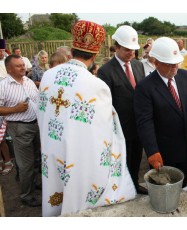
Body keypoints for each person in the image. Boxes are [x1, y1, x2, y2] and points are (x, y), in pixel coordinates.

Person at [37, 20, 136, 217]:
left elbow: (42, 115)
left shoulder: (48, 76)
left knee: (55, 195)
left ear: (72, 49)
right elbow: (105, 131)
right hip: (77, 156)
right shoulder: (95, 85)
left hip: (52, 150)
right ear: (95, 53)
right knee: (79, 203)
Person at [134, 37, 187, 187]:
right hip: (162, 153)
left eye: (176, 63)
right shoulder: (145, 87)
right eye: (169, 64)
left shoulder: (185, 77)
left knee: (182, 185)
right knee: (164, 190)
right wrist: (152, 151)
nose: (174, 67)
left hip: (186, 147)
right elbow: (145, 122)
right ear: (156, 62)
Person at [97, 25, 146, 195]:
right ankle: (121, 191)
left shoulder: (139, 66)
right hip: (120, 127)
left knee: (136, 159)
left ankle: (135, 184)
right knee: (121, 160)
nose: (131, 53)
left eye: (133, 49)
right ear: (116, 47)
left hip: (139, 125)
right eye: (127, 49)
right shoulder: (105, 71)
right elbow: (106, 103)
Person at [0, 54, 41, 207]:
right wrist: (15, 109)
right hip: (19, 127)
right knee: (26, 164)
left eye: (23, 65)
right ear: (9, 69)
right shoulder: (3, 86)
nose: (23, 67)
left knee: (36, 158)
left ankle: (33, 183)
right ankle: (26, 195)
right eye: (18, 66)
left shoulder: (29, 81)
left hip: (35, 124)